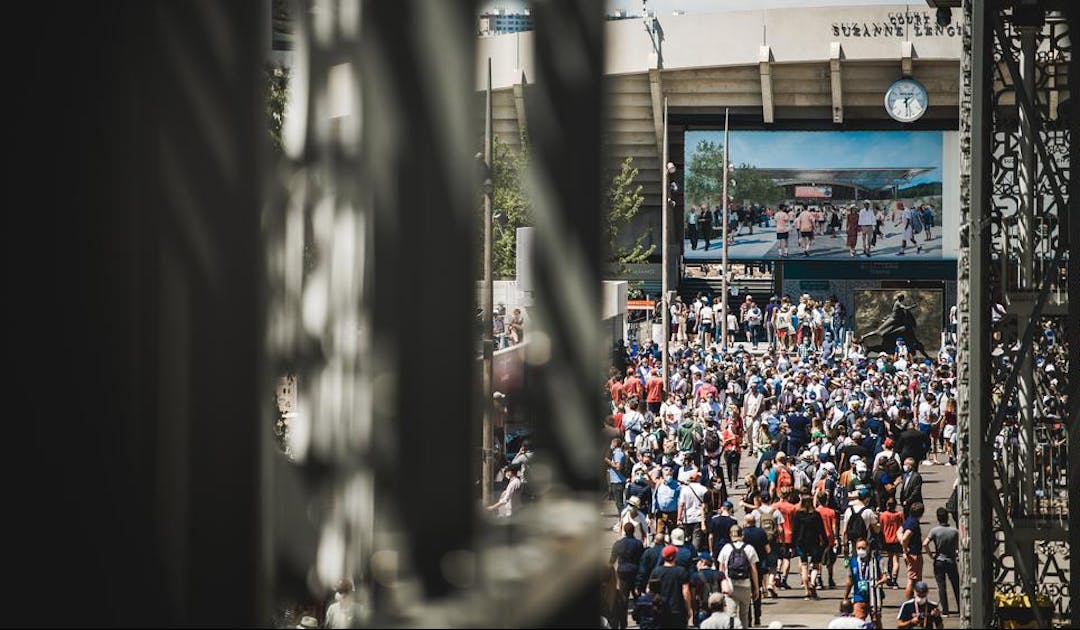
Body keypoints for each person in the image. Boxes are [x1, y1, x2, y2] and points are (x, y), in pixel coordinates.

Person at [718, 525, 760, 630]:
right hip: (745, 585)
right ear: (742, 534)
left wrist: (722, 586)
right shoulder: (749, 548)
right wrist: (756, 588)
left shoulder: (726, 548)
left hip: (730, 585)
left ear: (730, 535)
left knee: (731, 615)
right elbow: (754, 570)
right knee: (744, 615)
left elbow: (721, 569)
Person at [924, 507, 960, 617]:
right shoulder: (954, 531)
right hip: (951, 560)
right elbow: (959, 545)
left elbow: (925, 544)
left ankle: (945, 611)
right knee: (956, 584)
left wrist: (931, 555)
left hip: (939, 560)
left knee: (941, 586)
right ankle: (960, 607)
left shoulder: (934, 531)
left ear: (938, 518)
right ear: (947, 518)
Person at [610, 522, 645, 629]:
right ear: (633, 531)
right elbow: (641, 559)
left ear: (624, 531)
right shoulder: (638, 544)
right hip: (635, 571)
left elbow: (612, 560)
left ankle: (623, 621)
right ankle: (639, 618)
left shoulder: (618, 544)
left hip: (623, 572)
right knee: (636, 596)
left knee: (623, 598)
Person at [791, 495, 826, 600]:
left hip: (801, 542)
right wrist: (825, 541)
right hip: (814, 542)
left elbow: (795, 531)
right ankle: (812, 581)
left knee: (804, 566)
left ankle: (806, 591)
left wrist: (792, 545)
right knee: (815, 564)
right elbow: (821, 530)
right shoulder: (816, 515)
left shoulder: (798, 515)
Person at [650, 544, 693, 628]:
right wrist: (689, 608)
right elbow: (686, 592)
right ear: (675, 556)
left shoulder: (656, 571)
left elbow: (650, 590)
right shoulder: (681, 571)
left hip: (661, 610)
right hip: (677, 609)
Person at [899, 502, 926, 601]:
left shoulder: (908, 521)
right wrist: (905, 548)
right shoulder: (914, 523)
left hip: (911, 554)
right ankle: (908, 602)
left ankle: (914, 599)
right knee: (912, 580)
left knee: (914, 579)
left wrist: (903, 545)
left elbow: (899, 531)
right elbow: (905, 537)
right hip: (914, 555)